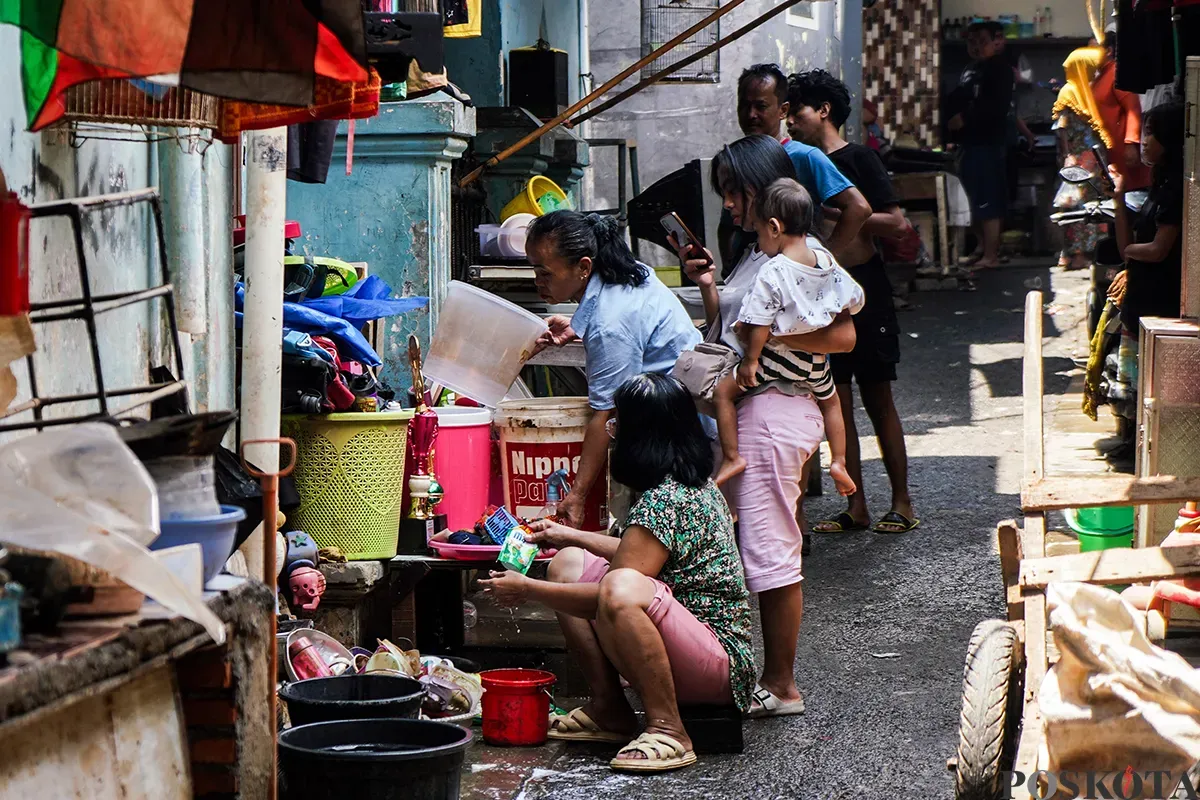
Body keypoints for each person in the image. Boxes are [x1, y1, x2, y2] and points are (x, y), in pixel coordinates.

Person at [479, 373, 754, 773]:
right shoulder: (687, 484)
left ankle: (669, 729)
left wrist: (528, 588)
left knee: (619, 587)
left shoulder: (666, 501)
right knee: (568, 561)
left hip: (717, 667)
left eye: (616, 426)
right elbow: (642, 554)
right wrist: (568, 535)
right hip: (695, 648)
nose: (612, 435)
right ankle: (610, 709)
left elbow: (615, 593)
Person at [670, 134, 858, 716]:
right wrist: (708, 287)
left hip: (775, 408)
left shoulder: (800, 259)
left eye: (733, 191)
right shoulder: (757, 253)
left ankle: (781, 685)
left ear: (763, 191)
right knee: (761, 542)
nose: (727, 203)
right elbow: (731, 327)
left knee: (772, 548)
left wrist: (768, 340)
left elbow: (844, 336)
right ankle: (761, 679)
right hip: (762, 407)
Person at [787, 69, 918, 535]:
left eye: (795, 109)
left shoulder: (858, 158)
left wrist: (837, 216)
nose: (789, 120)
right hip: (821, 296)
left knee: (879, 398)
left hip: (864, 288)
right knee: (836, 404)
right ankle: (856, 506)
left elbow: (897, 223)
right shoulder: (795, 162)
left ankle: (901, 502)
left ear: (823, 111)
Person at [528, 211, 707, 529]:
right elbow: (634, 323)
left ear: (584, 267)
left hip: (681, 435)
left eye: (544, 273)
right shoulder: (629, 274)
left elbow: (605, 416)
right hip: (689, 413)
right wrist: (578, 325)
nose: (537, 282)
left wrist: (577, 495)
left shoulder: (610, 324)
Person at [710, 177, 861, 495]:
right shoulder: (826, 261)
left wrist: (750, 361)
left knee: (722, 393)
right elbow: (855, 297)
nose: (759, 237)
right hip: (816, 363)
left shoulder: (774, 269)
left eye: (760, 229)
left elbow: (759, 320)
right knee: (832, 403)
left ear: (775, 227)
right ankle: (839, 461)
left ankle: (732, 457)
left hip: (776, 358)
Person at [725, 63, 870, 268]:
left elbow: (859, 208)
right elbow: (728, 225)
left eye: (761, 106)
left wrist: (824, 258)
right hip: (750, 269)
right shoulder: (736, 158)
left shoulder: (805, 156)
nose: (751, 115)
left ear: (783, 110)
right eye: (745, 106)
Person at [1105, 99, 1184, 413]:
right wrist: (1118, 197)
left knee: (1152, 393)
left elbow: (1156, 250)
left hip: (1160, 303)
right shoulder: (1160, 184)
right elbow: (1130, 247)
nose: (1144, 141)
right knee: (1134, 391)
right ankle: (1131, 445)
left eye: (1151, 133)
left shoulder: (1178, 189)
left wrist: (1130, 254)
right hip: (1142, 301)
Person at [947, 21, 1015, 269]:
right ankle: (980, 247)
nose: (976, 47)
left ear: (997, 41)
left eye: (982, 41)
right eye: (971, 42)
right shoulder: (970, 69)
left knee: (989, 199)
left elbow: (995, 107)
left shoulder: (1000, 70)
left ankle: (991, 255)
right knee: (973, 198)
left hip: (989, 143)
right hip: (968, 143)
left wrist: (964, 118)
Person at [1051, 45, 1109, 270]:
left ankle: (1085, 253)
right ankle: (1075, 255)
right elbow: (1062, 126)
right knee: (1076, 206)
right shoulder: (1070, 91)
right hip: (1079, 159)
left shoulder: (1091, 90)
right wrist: (1068, 155)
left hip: (1094, 159)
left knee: (1093, 206)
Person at [1093, 32, 1151, 192]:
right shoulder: (1100, 76)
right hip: (1110, 149)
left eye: (1093, 48)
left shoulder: (1118, 73)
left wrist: (1131, 143)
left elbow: (1132, 108)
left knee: (1130, 193)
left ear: (1108, 51)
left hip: (1123, 148)